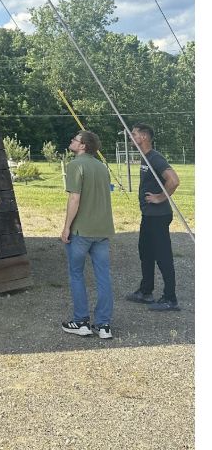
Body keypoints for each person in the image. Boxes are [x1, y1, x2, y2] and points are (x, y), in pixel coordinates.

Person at [60, 130, 115, 339]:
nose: (71, 141)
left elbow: (75, 199)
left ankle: (81, 321)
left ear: (83, 146)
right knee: (103, 277)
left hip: (81, 231)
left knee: (76, 274)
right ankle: (103, 325)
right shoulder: (102, 167)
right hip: (102, 230)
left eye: (75, 139)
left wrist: (66, 227)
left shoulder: (75, 165)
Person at [125, 123, 181, 311]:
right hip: (148, 215)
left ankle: (170, 298)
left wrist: (160, 197)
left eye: (133, 134)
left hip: (158, 216)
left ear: (144, 137)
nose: (131, 137)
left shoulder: (155, 158)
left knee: (163, 256)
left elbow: (173, 180)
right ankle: (146, 291)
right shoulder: (145, 157)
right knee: (146, 252)